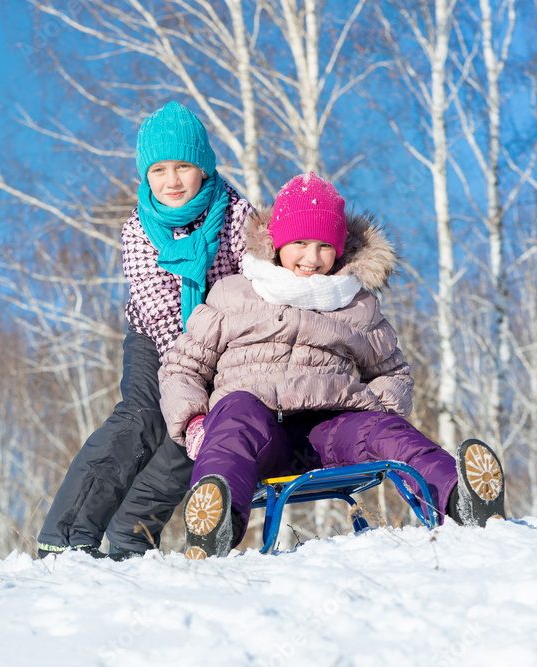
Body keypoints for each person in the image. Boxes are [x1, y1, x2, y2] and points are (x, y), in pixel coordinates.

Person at [157, 172, 506, 559]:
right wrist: (193, 422)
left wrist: (381, 412)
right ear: (276, 242)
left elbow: (392, 371)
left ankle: (463, 501)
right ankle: (216, 525)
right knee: (235, 418)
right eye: (300, 243)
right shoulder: (234, 294)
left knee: (387, 433)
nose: (311, 258)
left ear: (339, 250)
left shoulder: (355, 305)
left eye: (325, 246)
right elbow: (182, 366)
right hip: (258, 428)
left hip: (331, 428)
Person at [36, 101, 254, 558]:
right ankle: (66, 532)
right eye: (158, 170)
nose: (171, 181)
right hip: (158, 339)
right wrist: (191, 369)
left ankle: (133, 532)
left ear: (204, 166)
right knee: (143, 417)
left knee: (197, 429)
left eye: (183, 167)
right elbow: (157, 311)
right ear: (145, 175)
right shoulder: (139, 229)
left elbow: (252, 286)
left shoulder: (236, 216)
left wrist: (223, 360)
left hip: (226, 343)